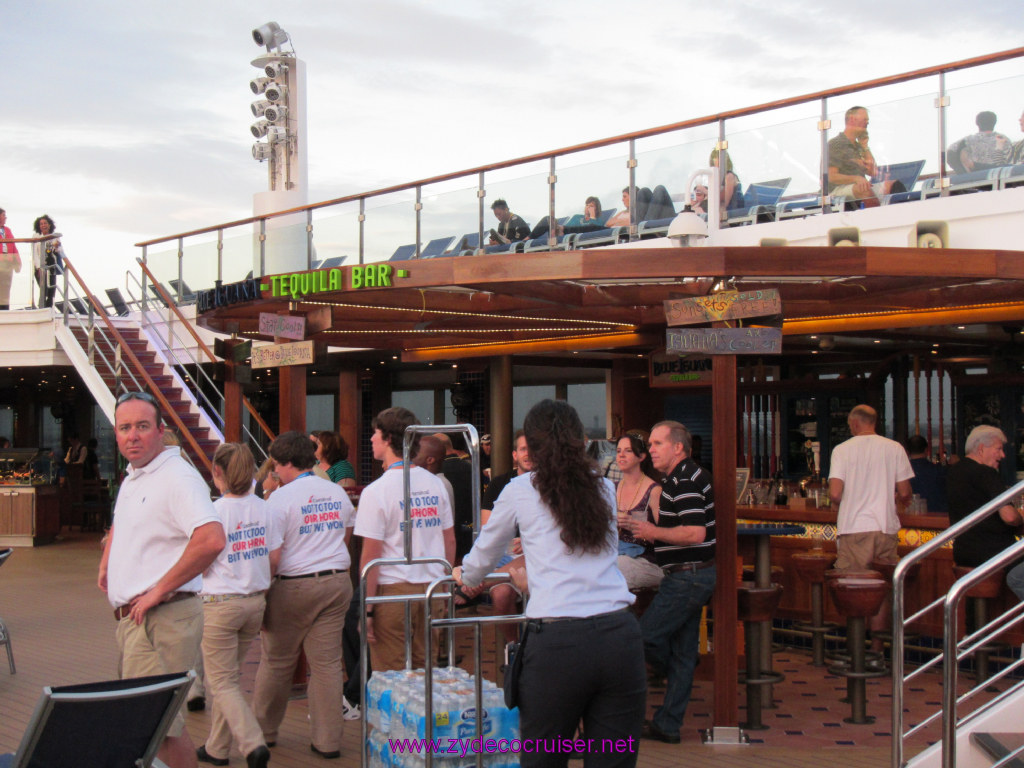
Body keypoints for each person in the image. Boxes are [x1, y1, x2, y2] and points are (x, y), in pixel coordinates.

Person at [454, 400, 645, 768]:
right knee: (612, 759)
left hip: (559, 646)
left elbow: (482, 558)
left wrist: (464, 575)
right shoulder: (604, 488)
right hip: (619, 637)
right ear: (581, 441)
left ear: (533, 448)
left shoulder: (519, 489)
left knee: (544, 758)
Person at [97, 391, 227, 768]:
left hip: (161, 617)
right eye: (125, 428)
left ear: (160, 431)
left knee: (158, 724)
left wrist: (158, 590)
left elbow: (211, 539)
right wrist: (108, 561)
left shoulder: (176, 476)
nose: (132, 435)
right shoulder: (135, 476)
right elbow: (123, 519)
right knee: (154, 722)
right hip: (138, 619)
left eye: (141, 426)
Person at [253, 430, 356, 760]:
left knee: (277, 662)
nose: (274, 473)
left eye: (275, 466)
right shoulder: (336, 493)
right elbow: (346, 536)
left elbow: (272, 555)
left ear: (284, 464)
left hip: (293, 585)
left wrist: (262, 595)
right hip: (336, 581)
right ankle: (328, 742)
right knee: (326, 665)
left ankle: (264, 733)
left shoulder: (279, 500)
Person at [630, 420, 716, 744]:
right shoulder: (682, 477)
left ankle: (677, 673)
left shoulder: (685, 480)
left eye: (656, 444)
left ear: (677, 447)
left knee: (643, 639)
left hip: (688, 576)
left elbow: (696, 533)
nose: (649, 449)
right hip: (691, 574)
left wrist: (653, 533)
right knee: (681, 653)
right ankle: (668, 724)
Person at [355, 407, 456, 672]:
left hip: (393, 591)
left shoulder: (376, 491)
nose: (371, 439)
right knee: (427, 672)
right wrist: (444, 586)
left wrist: (367, 609)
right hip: (432, 587)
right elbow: (450, 541)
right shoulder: (436, 484)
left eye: (375, 433)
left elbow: (371, 557)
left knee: (391, 676)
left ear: (388, 438)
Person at [196, 443, 273, 768]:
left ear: (218, 473)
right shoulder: (266, 508)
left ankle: (252, 743)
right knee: (230, 676)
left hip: (220, 603)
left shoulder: (214, 512)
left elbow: (201, 559)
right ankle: (216, 747)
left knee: (222, 682)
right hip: (255, 602)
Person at [947, 426, 1022, 572]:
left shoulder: (953, 472)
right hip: (995, 555)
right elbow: (1010, 517)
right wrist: (1020, 517)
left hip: (963, 553)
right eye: (998, 449)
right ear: (981, 448)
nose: (1003, 455)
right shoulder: (986, 473)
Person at [614, 432, 664, 590]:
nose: (621, 455)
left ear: (641, 456)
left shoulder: (654, 490)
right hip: (615, 554)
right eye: (618, 451)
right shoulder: (612, 487)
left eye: (628, 451)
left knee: (613, 571)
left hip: (646, 559)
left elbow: (666, 537)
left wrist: (639, 528)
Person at [827, 106, 904, 207]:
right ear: (852, 119)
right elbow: (831, 176)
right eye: (865, 120)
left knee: (893, 185)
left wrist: (864, 146)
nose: (867, 123)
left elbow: (873, 172)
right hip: (837, 190)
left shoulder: (859, 146)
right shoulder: (835, 144)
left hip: (858, 185)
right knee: (864, 190)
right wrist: (856, 178)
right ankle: (879, 218)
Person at [947, 111, 1014, 174]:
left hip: (976, 178)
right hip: (999, 177)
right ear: (995, 122)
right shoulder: (1004, 139)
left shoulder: (968, 140)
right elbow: (1010, 160)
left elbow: (950, 153)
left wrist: (961, 172)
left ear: (977, 123)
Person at [905, 434, 947, 513]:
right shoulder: (938, 471)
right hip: (938, 517)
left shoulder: (903, 473)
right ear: (926, 450)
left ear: (907, 452)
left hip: (909, 517)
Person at [31, 214, 64, 309]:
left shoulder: (54, 236)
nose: (43, 225)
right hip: (40, 267)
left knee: (51, 291)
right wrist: (38, 267)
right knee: (44, 289)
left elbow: (60, 251)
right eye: (41, 224)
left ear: (49, 225)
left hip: (51, 266)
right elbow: (35, 254)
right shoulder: (36, 236)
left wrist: (57, 246)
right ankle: (41, 309)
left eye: (45, 223)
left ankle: (49, 310)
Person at [709, 148, 745, 213]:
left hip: (734, 213)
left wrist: (706, 193)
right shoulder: (719, 180)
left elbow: (725, 201)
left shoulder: (729, 176)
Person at [0, 208, 21, 310]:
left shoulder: (7, 230)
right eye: (4, 215)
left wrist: (17, 262)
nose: (5, 217)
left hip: (7, 261)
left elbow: (13, 245)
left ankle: (4, 310)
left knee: (6, 288)